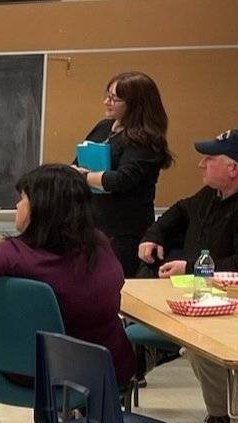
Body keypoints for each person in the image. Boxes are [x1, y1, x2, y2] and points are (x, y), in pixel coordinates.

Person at [0, 164, 137, 387]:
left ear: (40, 206)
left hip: (38, 374)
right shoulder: (99, 243)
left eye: (22, 198)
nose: (17, 205)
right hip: (108, 369)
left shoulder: (14, 255)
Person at [139, 128, 238, 423]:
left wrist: (191, 269)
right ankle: (220, 413)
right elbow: (178, 212)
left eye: (209, 158)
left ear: (233, 168)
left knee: (200, 343)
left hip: (237, 304)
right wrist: (154, 235)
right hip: (199, 294)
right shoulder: (211, 194)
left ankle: (222, 416)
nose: (201, 164)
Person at [74, 71, 174, 277]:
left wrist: (84, 177)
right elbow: (77, 162)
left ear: (136, 104)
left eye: (115, 99)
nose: (106, 102)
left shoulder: (145, 139)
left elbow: (121, 180)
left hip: (124, 233)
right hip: (93, 224)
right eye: (108, 95)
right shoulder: (104, 127)